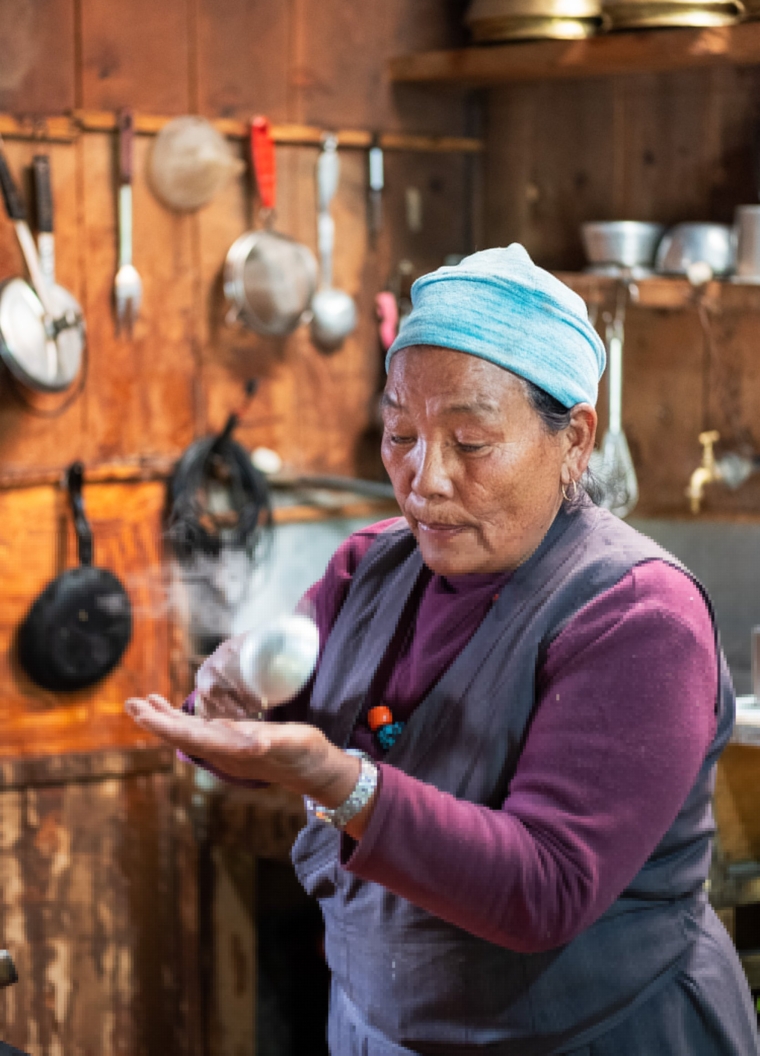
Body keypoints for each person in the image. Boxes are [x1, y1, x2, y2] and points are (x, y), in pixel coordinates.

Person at [126, 245, 760, 1055]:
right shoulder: (372, 567)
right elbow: (274, 730)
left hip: (599, 1034)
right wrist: (232, 692)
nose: (423, 481)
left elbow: (546, 888)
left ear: (574, 441)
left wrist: (340, 781)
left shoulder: (639, 616)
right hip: (381, 1031)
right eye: (400, 433)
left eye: (469, 444)